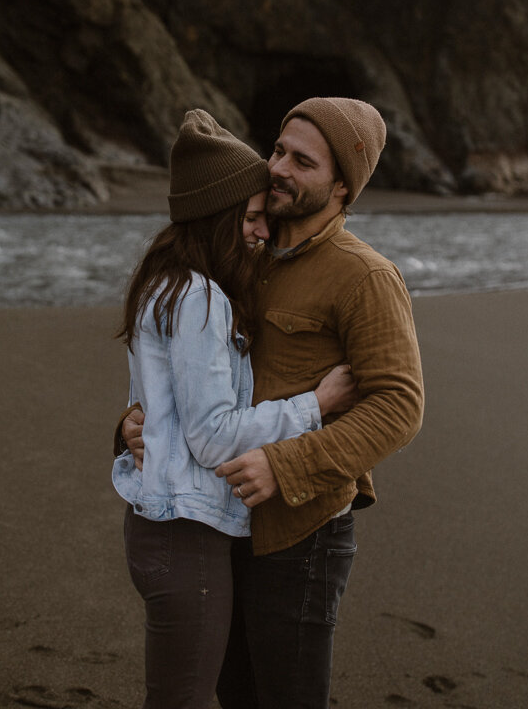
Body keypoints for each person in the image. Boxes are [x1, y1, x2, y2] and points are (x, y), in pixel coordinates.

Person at [122, 97, 425, 709]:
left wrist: (286, 466)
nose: (279, 167)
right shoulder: (239, 247)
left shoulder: (364, 276)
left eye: (302, 161)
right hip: (219, 524)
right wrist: (136, 423)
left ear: (343, 186)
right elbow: (185, 364)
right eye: (280, 149)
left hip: (302, 533)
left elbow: (398, 405)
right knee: (233, 695)